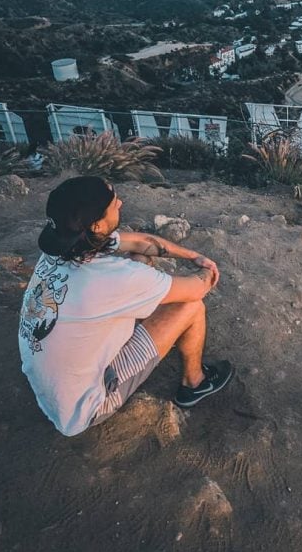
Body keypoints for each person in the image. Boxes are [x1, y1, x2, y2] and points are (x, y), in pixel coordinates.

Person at [18, 176, 233, 436]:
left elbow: (140, 242)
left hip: (53, 387)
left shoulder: (64, 246)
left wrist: (193, 255)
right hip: (84, 407)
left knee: (140, 259)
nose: (120, 202)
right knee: (191, 307)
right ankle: (194, 383)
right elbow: (197, 288)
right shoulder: (111, 279)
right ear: (97, 225)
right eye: (113, 202)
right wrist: (207, 270)